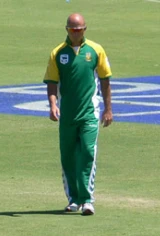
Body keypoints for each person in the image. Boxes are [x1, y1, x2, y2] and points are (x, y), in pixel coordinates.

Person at [44, 12, 113, 216]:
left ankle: (87, 200)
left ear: (85, 29)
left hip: (89, 113)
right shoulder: (58, 53)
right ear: (67, 30)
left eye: (80, 29)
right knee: (68, 156)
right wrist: (53, 105)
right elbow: (52, 82)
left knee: (88, 153)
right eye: (73, 29)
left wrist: (108, 109)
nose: (76, 33)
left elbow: (105, 80)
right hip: (67, 114)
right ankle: (73, 199)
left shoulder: (96, 50)